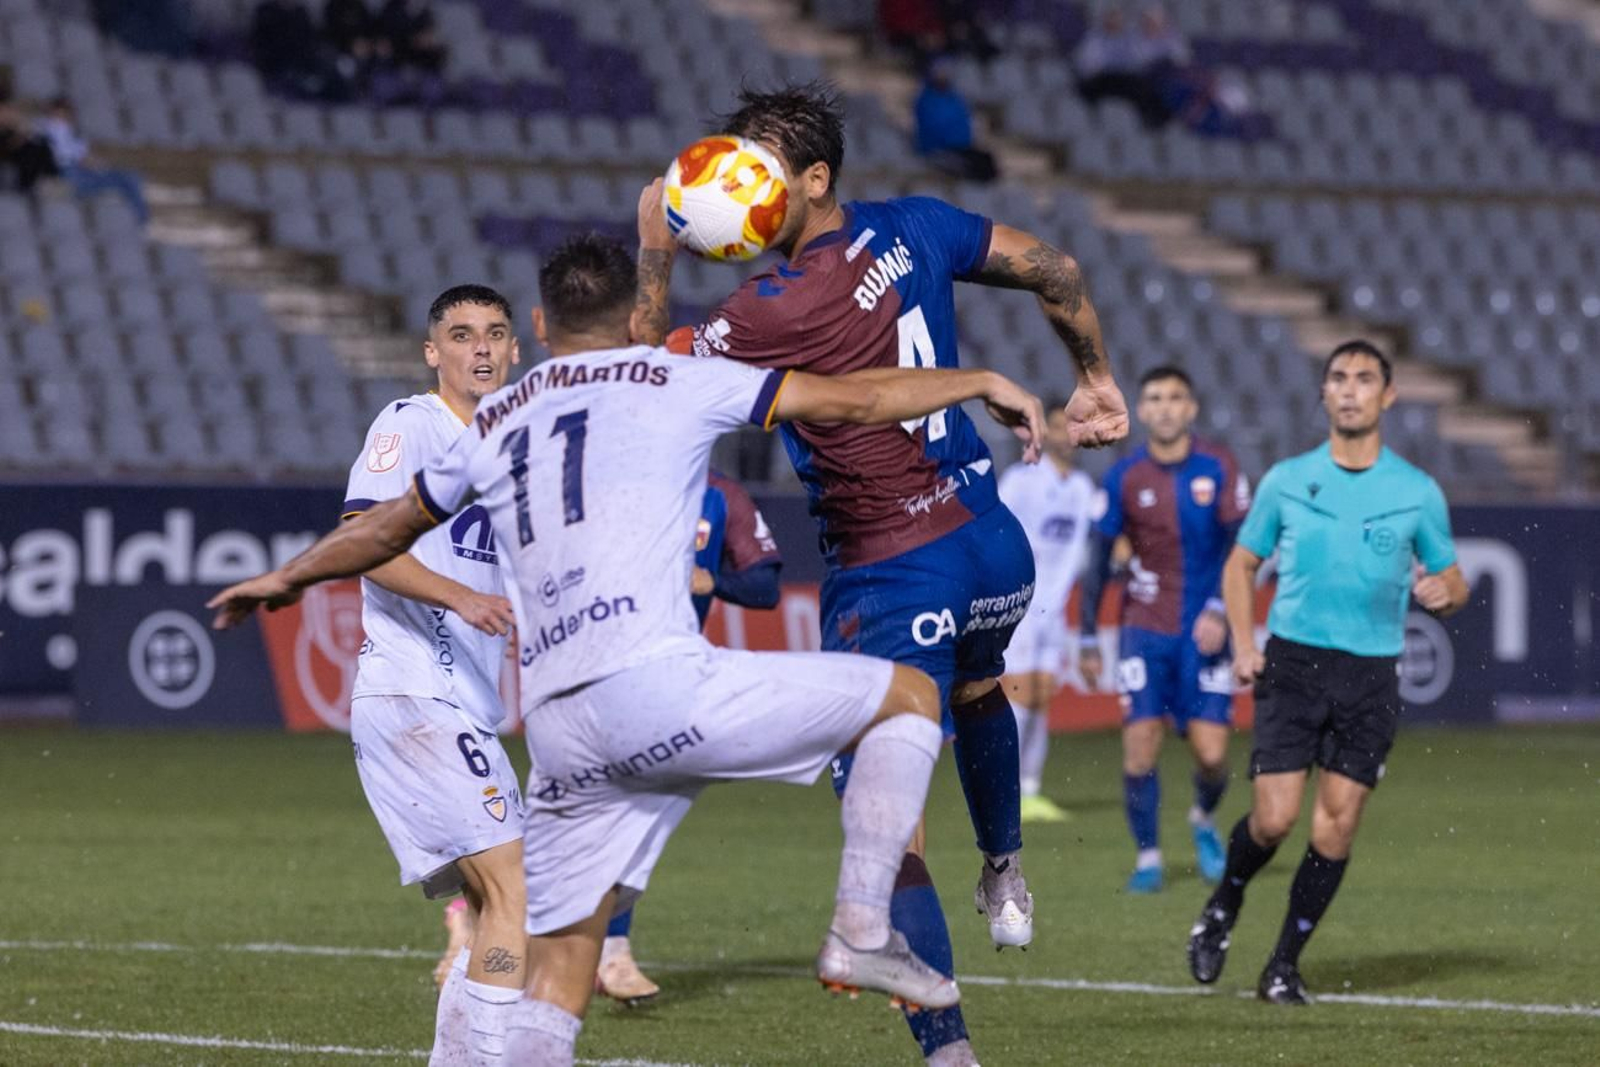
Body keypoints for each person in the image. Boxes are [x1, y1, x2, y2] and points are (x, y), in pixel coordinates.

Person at [208, 232, 1051, 1065]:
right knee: (908, 695)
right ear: (635, 318)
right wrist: (978, 380)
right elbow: (857, 400)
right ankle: (861, 924)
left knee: (562, 959)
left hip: (562, 726)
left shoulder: (499, 418)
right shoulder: (677, 379)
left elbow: (388, 525)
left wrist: (286, 579)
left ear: (538, 326)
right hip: (658, 686)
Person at [637, 82, 1128, 1067]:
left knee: (882, 822)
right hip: (992, 541)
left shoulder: (773, 306)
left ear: (814, 179)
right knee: (980, 682)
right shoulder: (919, 224)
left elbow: (640, 366)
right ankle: (1005, 865)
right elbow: (1055, 269)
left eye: (759, 169)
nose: (741, 184)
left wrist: (655, 243)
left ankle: (947, 1050)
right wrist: (1095, 378)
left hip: (891, 568)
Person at [1186, 340, 1469, 1004]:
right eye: (1338, 378)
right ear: (1323, 393)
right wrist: (1244, 641)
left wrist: (1445, 593)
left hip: (1370, 674)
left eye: (1364, 378)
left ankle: (1284, 963)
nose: (1349, 389)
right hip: (1294, 662)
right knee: (1275, 819)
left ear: (1387, 396)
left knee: (1334, 826)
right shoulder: (1287, 479)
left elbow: (1454, 579)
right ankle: (1225, 901)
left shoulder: (1416, 491)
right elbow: (1240, 565)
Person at [341, 284, 527, 1063]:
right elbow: (360, 536)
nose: (479, 348)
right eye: (460, 334)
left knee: (494, 899)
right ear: (432, 352)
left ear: (516, 349)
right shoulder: (411, 426)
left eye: (494, 333)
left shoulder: (517, 441)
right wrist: (461, 596)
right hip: (413, 690)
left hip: (459, 703)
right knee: (520, 889)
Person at [598, 468, 785, 1004]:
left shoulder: (721, 494)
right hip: (601, 664)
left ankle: (602, 945)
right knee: (614, 807)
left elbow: (766, 587)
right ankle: (598, 947)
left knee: (641, 806)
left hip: (672, 675)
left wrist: (713, 581)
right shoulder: (611, 480)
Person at [1079, 365, 1250, 894]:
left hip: (1207, 627)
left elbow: (1243, 546)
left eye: (1177, 396)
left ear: (1191, 408)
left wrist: (1222, 607)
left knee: (1213, 754)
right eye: (1155, 397)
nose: (1167, 406)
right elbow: (1099, 557)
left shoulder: (1219, 466)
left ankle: (1202, 818)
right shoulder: (1125, 476)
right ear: (1143, 410)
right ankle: (1149, 856)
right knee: (1140, 747)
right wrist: (1088, 636)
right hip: (1144, 627)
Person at [998, 402, 1096, 823]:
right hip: (1021, 604)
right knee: (1016, 694)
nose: (1065, 434)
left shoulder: (1082, 488)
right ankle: (1004, 789)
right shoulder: (1021, 480)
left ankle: (1030, 789)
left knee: (1040, 696)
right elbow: (999, 533)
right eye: (1058, 426)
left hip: (1054, 610)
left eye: (1072, 427)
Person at [36, 98, 148, 224]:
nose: (64, 116)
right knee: (128, 179)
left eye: (66, 113)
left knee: (130, 178)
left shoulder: (68, 130)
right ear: (53, 112)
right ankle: (141, 220)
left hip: (81, 171)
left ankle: (136, 218)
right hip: (70, 174)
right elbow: (70, 155)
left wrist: (97, 164)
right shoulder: (50, 128)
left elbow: (84, 155)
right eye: (60, 112)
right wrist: (88, 161)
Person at [913, 59, 998, 184]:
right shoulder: (925, 100)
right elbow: (931, 127)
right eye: (940, 74)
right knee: (971, 165)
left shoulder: (955, 97)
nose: (944, 77)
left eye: (946, 74)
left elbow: (964, 122)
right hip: (937, 148)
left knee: (986, 159)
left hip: (961, 146)